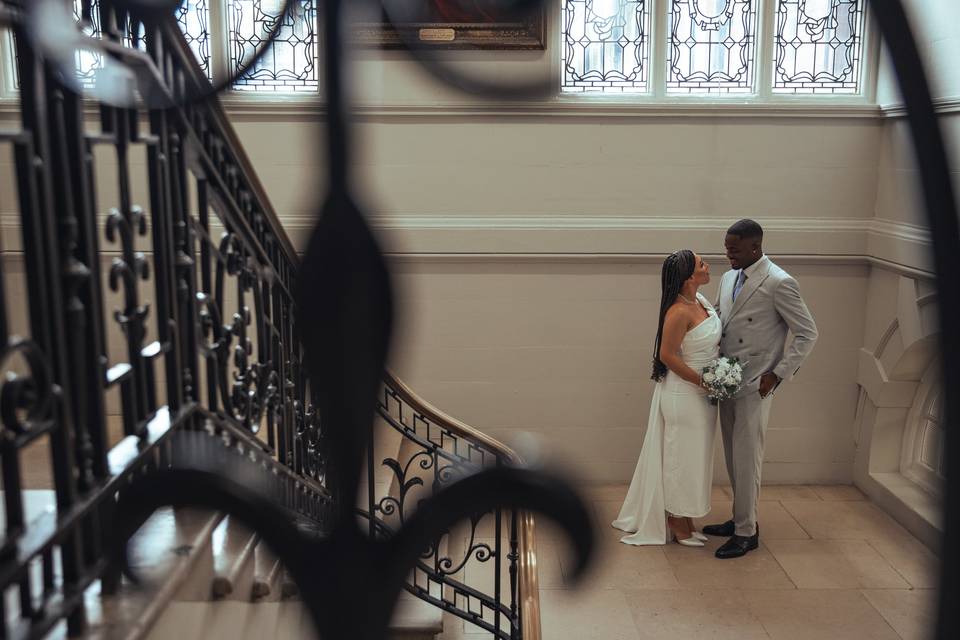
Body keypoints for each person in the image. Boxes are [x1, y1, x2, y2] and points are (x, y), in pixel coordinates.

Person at [702, 219, 818, 559]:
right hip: (726, 376)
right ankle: (741, 517)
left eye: (734, 249)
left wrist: (778, 374)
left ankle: (746, 533)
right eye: (726, 248)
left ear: (755, 247)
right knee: (732, 456)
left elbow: (808, 332)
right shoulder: (727, 278)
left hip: (756, 382)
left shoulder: (780, 282)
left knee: (747, 458)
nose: (728, 255)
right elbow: (720, 322)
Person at [612, 250, 719, 546]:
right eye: (702, 264)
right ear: (688, 278)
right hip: (683, 394)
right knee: (679, 456)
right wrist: (703, 381)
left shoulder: (700, 302)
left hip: (704, 394)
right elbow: (667, 356)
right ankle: (674, 519)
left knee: (694, 456)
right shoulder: (678, 312)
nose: (708, 265)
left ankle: (686, 516)